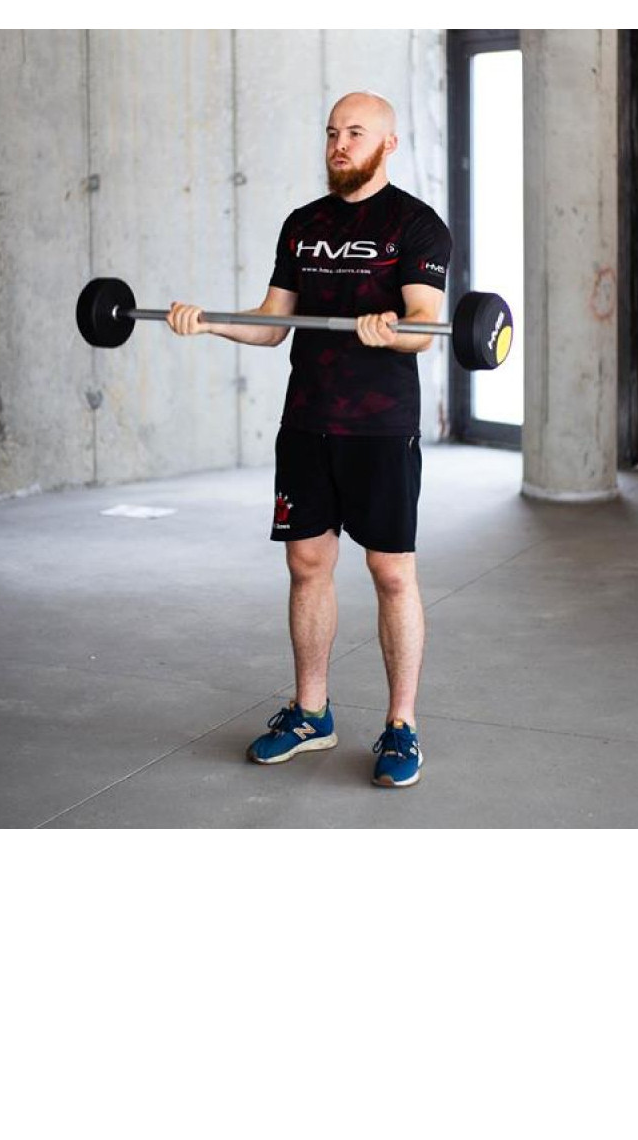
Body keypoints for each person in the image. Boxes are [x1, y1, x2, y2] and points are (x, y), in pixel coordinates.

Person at [166, 91, 451, 787]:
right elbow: (272, 323)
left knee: (392, 573)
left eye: (355, 133)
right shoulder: (304, 225)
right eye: (331, 133)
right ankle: (311, 713)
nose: (339, 145)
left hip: (380, 427)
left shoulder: (416, 225)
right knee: (306, 565)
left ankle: (402, 725)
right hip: (307, 422)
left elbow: (424, 321)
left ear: (388, 143)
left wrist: (394, 330)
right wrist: (210, 321)